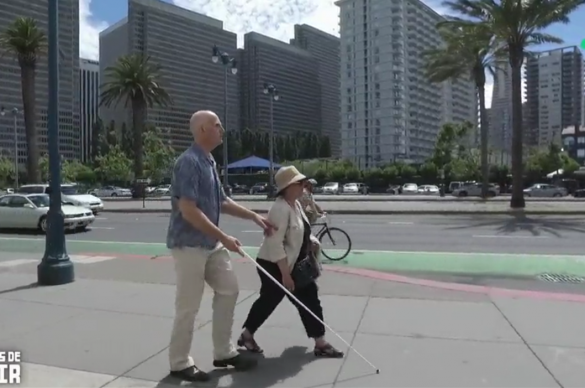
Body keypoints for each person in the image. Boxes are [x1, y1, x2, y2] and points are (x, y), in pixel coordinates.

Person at [166, 110, 275, 382]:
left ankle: (224, 352)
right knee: (188, 306)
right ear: (203, 130)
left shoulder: (209, 162)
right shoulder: (189, 162)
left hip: (210, 244)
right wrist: (224, 237)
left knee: (229, 289)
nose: (222, 129)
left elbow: (222, 201)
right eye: (217, 125)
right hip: (189, 245)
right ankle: (179, 363)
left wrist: (253, 216)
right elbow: (189, 210)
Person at [237, 166, 343, 358]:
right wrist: (285, 275)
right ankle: (319, 342)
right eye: (300, 183)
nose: (304, 185)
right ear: (288, 187)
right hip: (275, 265)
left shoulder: (295, 205)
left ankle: (319, 341)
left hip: (294, 264)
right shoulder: (279, 208)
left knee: (303, 298)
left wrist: (308, 244)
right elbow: (275, 244)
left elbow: (298, 233)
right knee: (274, 300)